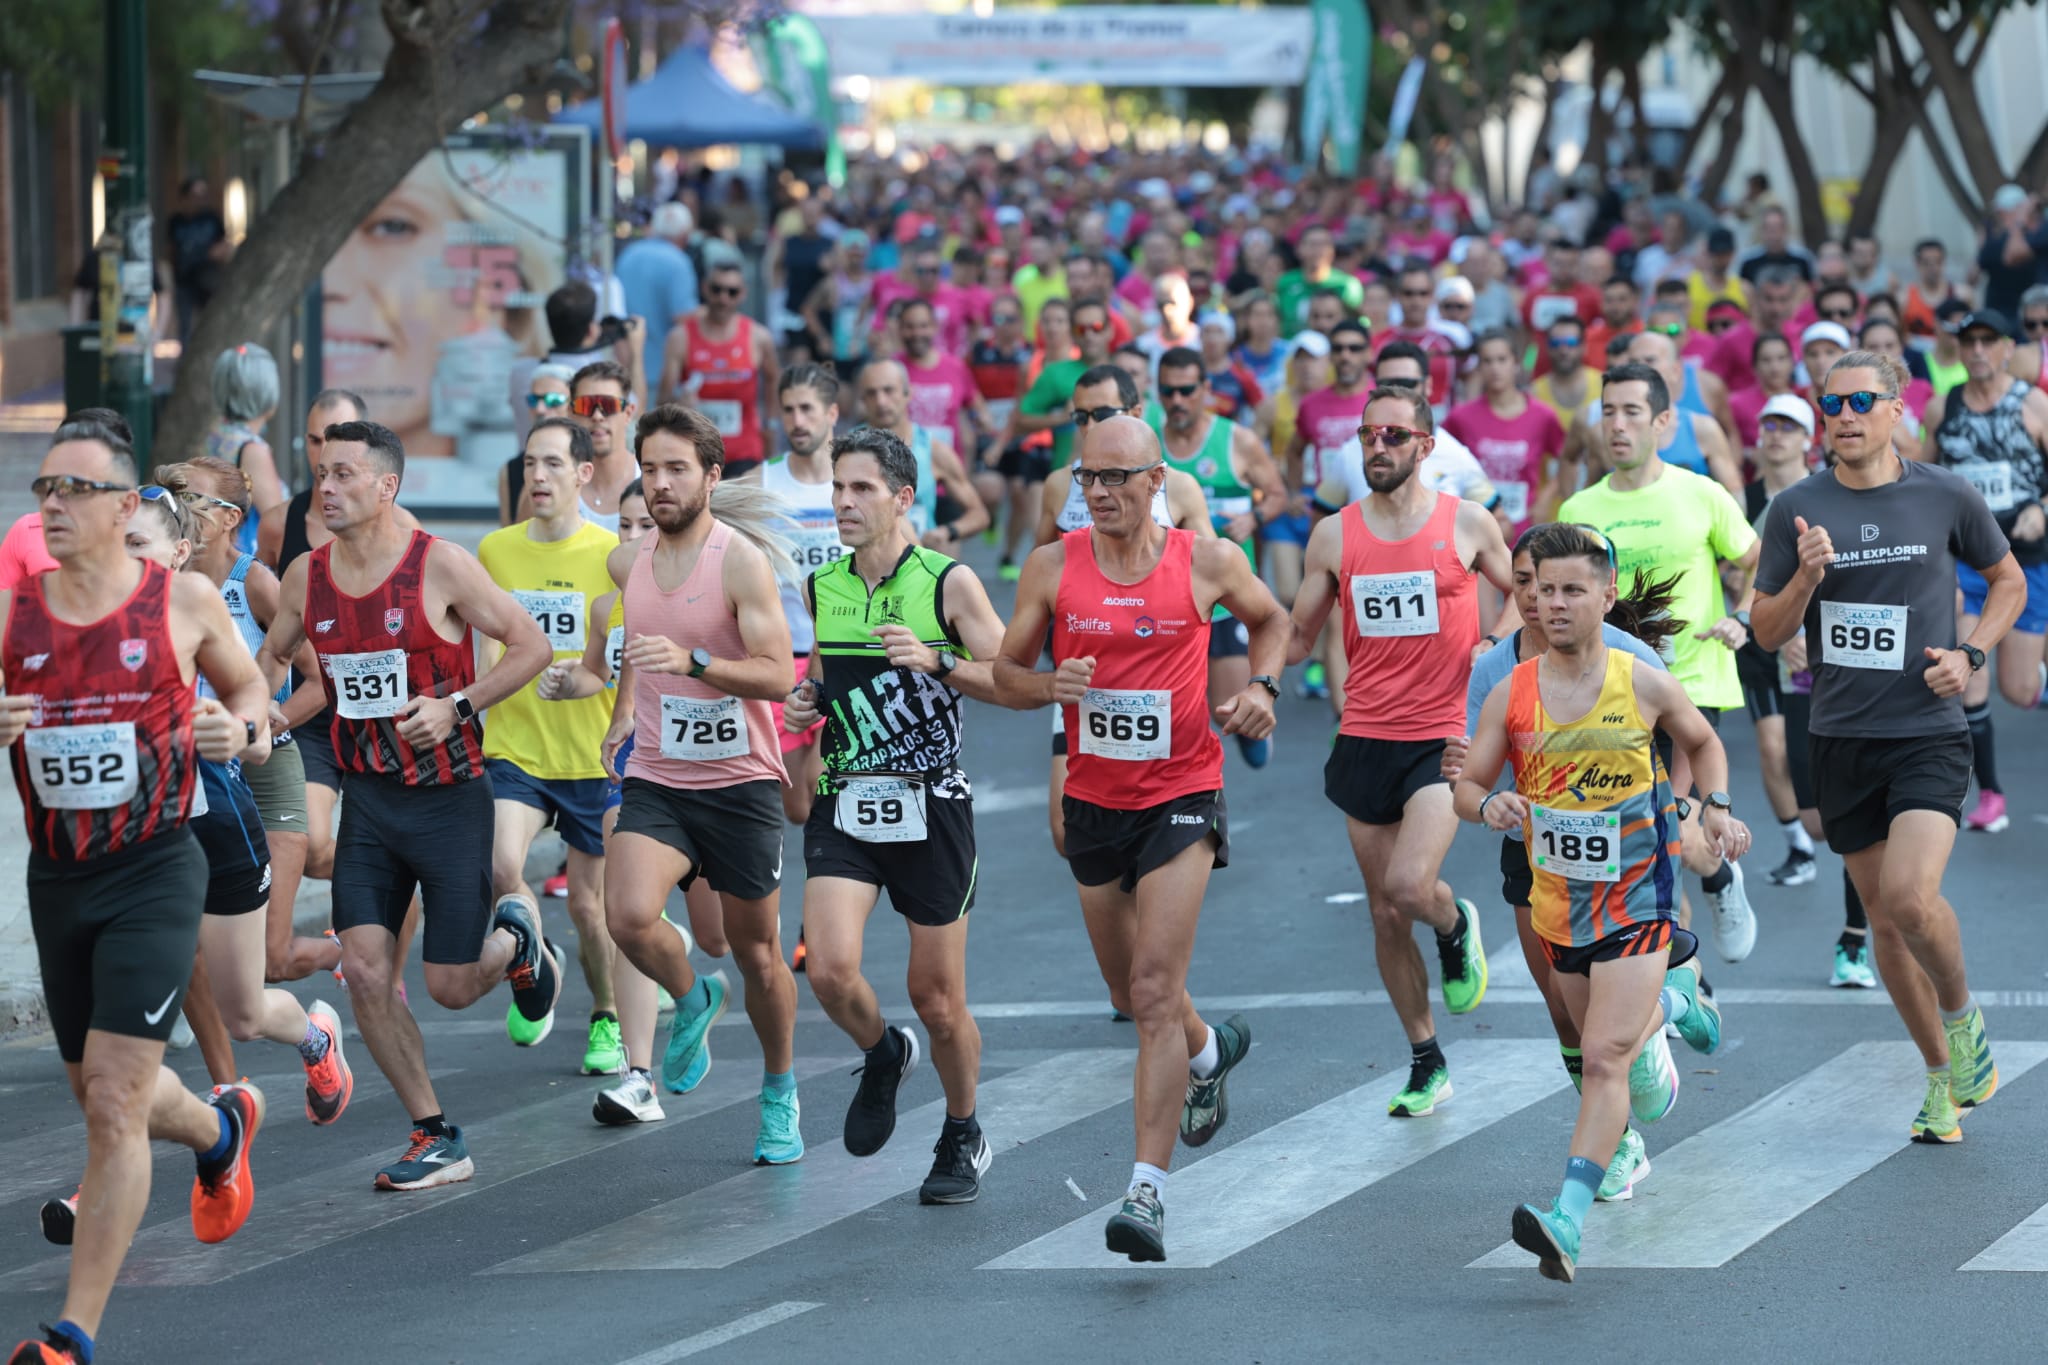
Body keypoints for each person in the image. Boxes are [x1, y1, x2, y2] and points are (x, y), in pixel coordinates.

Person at [4, 420, 275, 1365]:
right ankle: (217, 1130)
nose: (52, 504)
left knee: (116, 1100)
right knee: (97, 1091)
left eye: (73, 489)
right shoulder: (15, 614)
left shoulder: (182, 601)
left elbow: (251, 697)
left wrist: (235, 730)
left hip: (155, 867)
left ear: (125, 506)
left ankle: (71, 1336)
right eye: (44, 488)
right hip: (58, 877)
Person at [994, 414, 1284, 1262]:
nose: (1099, 492)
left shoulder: (1207, 560)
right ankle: (1209, 1051)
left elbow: (1272, 620)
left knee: (1154, 990)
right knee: (1130, 987)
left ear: (1158, 481)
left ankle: (1145, 1192)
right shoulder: (1053, 566)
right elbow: (1008, 674)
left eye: (1116, 477)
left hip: (1182, 796)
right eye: (1088, 477)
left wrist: (1262, 687)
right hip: (1093, 801)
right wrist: (1050, 684)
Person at [256, 419, 560, 1190]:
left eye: (345, 474)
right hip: (369, 803)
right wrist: (255, 712)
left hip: (451, 801)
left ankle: (518, 944)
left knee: (451, 986)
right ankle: (434, 1132)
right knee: (364, 970)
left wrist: (458, 706)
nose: (327, 487)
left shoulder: (440, 565)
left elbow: (531, 644)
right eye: (322, 472)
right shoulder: (306, 576)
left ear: (387, 485)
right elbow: (272, 655)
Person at [1752, 348, 2022, 1144]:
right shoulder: (1796, 507)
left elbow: (2007, 580)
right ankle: (1940, 1076)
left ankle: (1963, 1017)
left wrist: (1970, 654)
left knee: (1909, 896)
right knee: (1883, 920)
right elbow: (1766, 630)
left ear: (1897, 409)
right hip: (1841, 736)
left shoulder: (1944, 493)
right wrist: (1804, 580)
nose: (1844, 416)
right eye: (1831, 404)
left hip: (1926, 733)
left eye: (1861, 401)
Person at [1455, 522, 1735, 1283]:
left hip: (1639, 895)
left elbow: (1704, 742)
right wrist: (1488, 805)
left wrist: (1710, 808)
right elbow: (1468, 786)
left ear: (1607, 596)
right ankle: (1680, 1004)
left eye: (1572, 590)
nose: (1553, 603)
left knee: (1606, 1057)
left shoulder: (1640, 679)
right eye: (1543, 590)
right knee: (1597, 1042)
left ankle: (1567, 1221)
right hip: (1558, 904)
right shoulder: (1511, 691)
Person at [779, 425, 1009, 1202]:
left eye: (861, 488)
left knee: (938, 1000)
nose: (843, 502)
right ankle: (882, 1052)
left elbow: (1010, 678)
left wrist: (939, 659)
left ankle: (963, 1128)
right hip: (847, 798)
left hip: (930, 804)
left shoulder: (949, 584)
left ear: (903, 497)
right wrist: (808, 700)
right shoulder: (824, 586)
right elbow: (822, 677)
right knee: (829, 968)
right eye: (837, 488)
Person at [1289, 384, 1512, 1117]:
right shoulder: (1334, 535)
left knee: (1411, 886)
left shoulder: (1466, 522)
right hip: (1365, 736)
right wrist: (1252, 674)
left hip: (1442, 734)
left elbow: (1523, 590)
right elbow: (1296, 635)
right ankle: (1426, 1058)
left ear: (1425, 444)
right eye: (1367, 435)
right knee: (1385, 914)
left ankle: (1454, 923)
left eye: (1393, 435)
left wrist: (1491, 642)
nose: (1377, 447)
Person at [597, 404, 805, 1164]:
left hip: (741, 783)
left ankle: (779, 1092)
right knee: (626, 916)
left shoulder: (738, 561)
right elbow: (631, 638)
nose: (660, 483)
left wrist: (695, 665)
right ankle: (691, 997)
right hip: (659, 774)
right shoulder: (628, 562)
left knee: (757, 954)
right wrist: (621, 709)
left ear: (712, 476)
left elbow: (777, 675)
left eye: (676, 469)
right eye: (650, 469)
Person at [1561, 364, 1761, 963]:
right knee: (1649, 842)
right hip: (1611, 694)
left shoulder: (1700, 493)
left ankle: (1714, 891)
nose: (1617, 425)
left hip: (1690, 689)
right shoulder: (1580, 508)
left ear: (1663, 422)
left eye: (1632, 412)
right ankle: (1684, 969)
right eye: (1608, 412)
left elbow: (1758, 560)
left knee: (1668, 832)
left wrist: (1742, 616)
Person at [477, 418, 625, 1066]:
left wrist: (588, 683)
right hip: (517, 749)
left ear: (584, 473)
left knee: (592, 908)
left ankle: (606, 1015)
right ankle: (536, 960)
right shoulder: (496, 550)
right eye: (530, 463)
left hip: (592, 755)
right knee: (500, 867)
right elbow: (486, 649)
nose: (537, 476)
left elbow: (625, 657)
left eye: (553, 464)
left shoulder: (613, 555)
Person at [157, 457, 337, 989]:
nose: (178, 508)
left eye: (192, 499)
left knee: (270, 961)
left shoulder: (255, 583)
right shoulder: (161, 579)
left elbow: (319, 681)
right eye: (174, 497)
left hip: (265, 764)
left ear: (231, 518)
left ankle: (347, 951)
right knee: (186, 943)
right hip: (196, 771)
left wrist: (256, 727)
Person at [1918, 309, 2048, 832]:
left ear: (2006, 347)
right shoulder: (1942, 408)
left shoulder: (2033, 404)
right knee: (1969, 677)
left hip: (2025, 559)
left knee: (2018, 690)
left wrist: (2043, 508)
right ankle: (1990, 794)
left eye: (1987, 340)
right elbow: (1922, 480)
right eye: (1968, 340)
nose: (1976, 350)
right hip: (1964, 561)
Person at [1154, 347, 1288, 767]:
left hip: (1228, 597)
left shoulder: (1237, 440)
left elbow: (1278, 494)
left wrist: (1254, 517)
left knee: (1229, 713)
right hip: (1166, 596)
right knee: (1173, 715)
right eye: (1168, 391)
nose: (1177, 400)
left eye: (1186, 390)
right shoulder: (1148, 444)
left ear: (1205, 389)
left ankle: (1251, 727)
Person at [762, 366, 847, 828]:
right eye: (788, 410)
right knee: (797, 808)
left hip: (844, 653)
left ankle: (845, 860)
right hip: (786, 658)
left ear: (832, 413)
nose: (797, 421)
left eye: (807, 409)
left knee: (823, 781)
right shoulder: (762, 483)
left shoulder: (854, 479)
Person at [662, 258, 780, 478]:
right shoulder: (680, 338)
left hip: (745, 451)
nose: (723, 299)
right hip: (696, 452)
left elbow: (773, 379)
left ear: (743, 294)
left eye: (732, 292)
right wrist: (679, 402)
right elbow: (663, 400)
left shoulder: (758, 337)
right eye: (717, 290)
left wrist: (770, 424)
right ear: (705, 289)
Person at [856, 360, 991, 546]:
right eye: (871, 393)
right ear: (863, 400)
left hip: (918, 558)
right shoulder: (847, 450)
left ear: (908, 393)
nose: (881, 401)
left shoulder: (933, 450)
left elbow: (979, 514)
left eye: (889, 391)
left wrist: (946, 532)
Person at [1445, 331, 1567, 537]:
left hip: (1526, 529)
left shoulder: (1542, 416)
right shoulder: (1461, 417)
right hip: (1475, 529)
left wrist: (1546, 498)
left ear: (1516, 363)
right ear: (1479, 367)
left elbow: (1568, 459)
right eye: (1487, 361)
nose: (1495, 368)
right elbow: (1440, 458)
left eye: (1502, 359)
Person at [1624, 331, 1742, 494]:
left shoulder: (1703, 428)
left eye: (1650, 360)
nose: (1640, 369)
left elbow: (1735, 495)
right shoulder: (1605, 431)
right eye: (1633, 362)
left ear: (1675, 370)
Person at [203, 344, 289, 555]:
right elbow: (278, 523)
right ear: (267, 391)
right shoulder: (252, 450)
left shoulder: (215, 435)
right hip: (249, 562)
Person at [618, 202, 701, 373]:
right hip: (663, 368)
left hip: (627, 365)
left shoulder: (628, 255)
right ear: (685, 236)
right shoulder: (679, 262)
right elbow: (684, 318)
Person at [498, 363, 578, 524]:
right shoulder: (512, 470)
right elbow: (507, 533)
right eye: (534, 400)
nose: (540, 409)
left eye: (553, 400)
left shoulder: (594, 460)